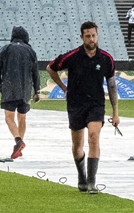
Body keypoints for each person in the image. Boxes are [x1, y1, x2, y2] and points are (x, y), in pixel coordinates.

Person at [47, 22, 119, 194]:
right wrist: (63, 88)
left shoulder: (106, 59)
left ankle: (92, 183)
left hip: (96, 104)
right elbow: (50, 68)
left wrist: (115, 113)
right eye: (88, 36)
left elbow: (112, 86)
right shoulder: (72, 56)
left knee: (93, 137)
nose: (91, 39)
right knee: (77, 145)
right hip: (75, 104)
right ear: (82, 37)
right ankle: (82, 176)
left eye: (94, 35)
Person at [0, 25, 40, 160]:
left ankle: (18, 141)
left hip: (9, 88)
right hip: (25, 89)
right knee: (22, 118)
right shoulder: (30, 51)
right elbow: (35, 73)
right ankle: (19, 147)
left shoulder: (6, 49)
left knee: (9, 118)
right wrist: (37, 91)